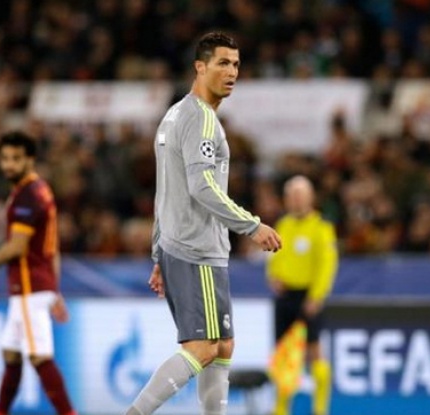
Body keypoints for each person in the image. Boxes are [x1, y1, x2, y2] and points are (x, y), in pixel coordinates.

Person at [124, 31, 282, 415]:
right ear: (200, 67)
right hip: (197, 248)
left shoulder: (173, 115)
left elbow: (165, 191)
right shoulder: (201, 119)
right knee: (204, 348)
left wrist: (159, 253)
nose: (232, 72)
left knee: (223, 345)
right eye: (222, 63)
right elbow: (202, 186)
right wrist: (251, 225)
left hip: (180, 245)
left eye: (236, 65)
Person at [0, 131, 77, 415]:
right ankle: (0, 411)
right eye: (5, 158)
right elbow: (52, 247)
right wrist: (54, 290)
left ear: (30, 159)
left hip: (30, 287)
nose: (9, 165)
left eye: (16, 158)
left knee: (40, 357)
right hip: (35, 286)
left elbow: (18, 246)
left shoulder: (27, 196)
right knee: (11, 353)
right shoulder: (39, 190)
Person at [266, 175, 338, 415]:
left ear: (310, 198)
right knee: (285, 354)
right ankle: (281, 408)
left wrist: (317, 296)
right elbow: (274, 256)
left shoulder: (321, 227)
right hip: (286, 295)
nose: (296, 200)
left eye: (300, 195)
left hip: (308, 296)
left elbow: (327, 264)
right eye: (292, 196)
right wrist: (273, 276)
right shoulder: (283, 224)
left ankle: (320, 409)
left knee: (314, 350)